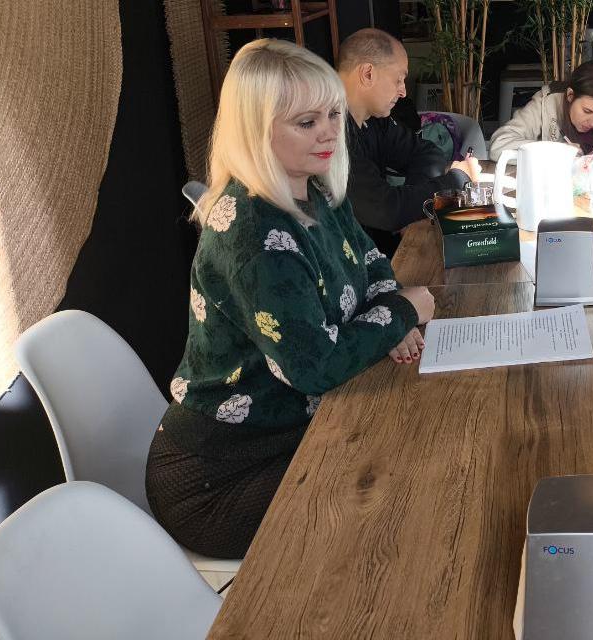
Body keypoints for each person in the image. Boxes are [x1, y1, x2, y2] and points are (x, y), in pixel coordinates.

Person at [145, 39, 436, 559]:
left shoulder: (315, 186)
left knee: (405, 462)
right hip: (219, 481)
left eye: (333, 114)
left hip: (291, 430)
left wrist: (390, 319)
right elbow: (314, 367)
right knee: (391, 502)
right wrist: (402, 312)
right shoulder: (252, 234)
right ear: (256, 130)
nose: (329, 132)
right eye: (307, 122)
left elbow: (371, 262)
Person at [337, 28, 480, 255]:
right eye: (398, 79)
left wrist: (410, 210)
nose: (403, 92)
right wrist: (456, 180)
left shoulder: (374, 121)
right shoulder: (330, 135)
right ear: (368, 74)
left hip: (382, 250)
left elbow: (427, 152)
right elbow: (385, 209)